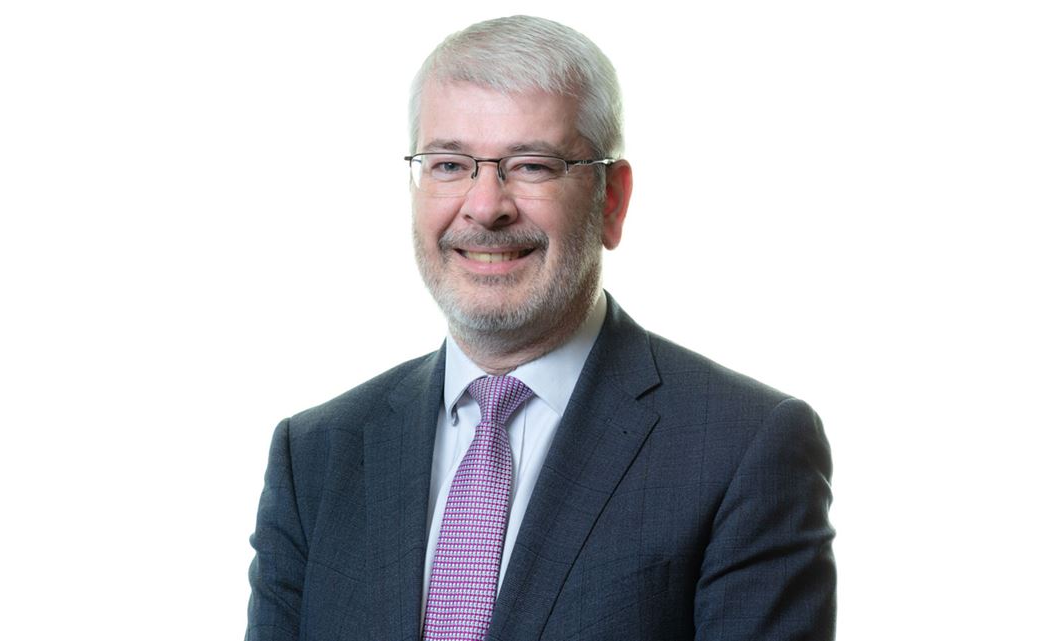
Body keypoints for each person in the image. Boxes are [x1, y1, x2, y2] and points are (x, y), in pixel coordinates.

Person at [246, 15, 835, 641]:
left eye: (531, 165)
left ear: (611, 201)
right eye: (449, 165)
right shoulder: (314, 456)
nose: (484, 207)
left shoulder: (743, 448)